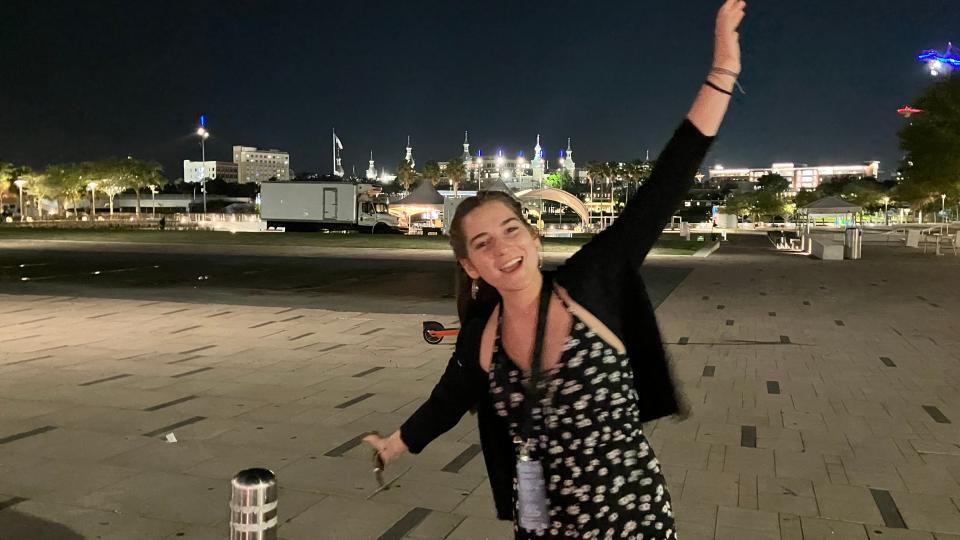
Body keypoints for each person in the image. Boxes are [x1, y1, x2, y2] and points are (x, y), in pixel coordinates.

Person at [365, 1, 745, 537]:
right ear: (470, 265)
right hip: (541, 525)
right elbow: (448, 400)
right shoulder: (482, 336)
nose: (502, 249)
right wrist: (397, 442)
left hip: (631, 522)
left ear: (535, 238)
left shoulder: (592, 282)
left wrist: (722, 69)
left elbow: (668, 180)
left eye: (511, 230)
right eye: (482, 243)